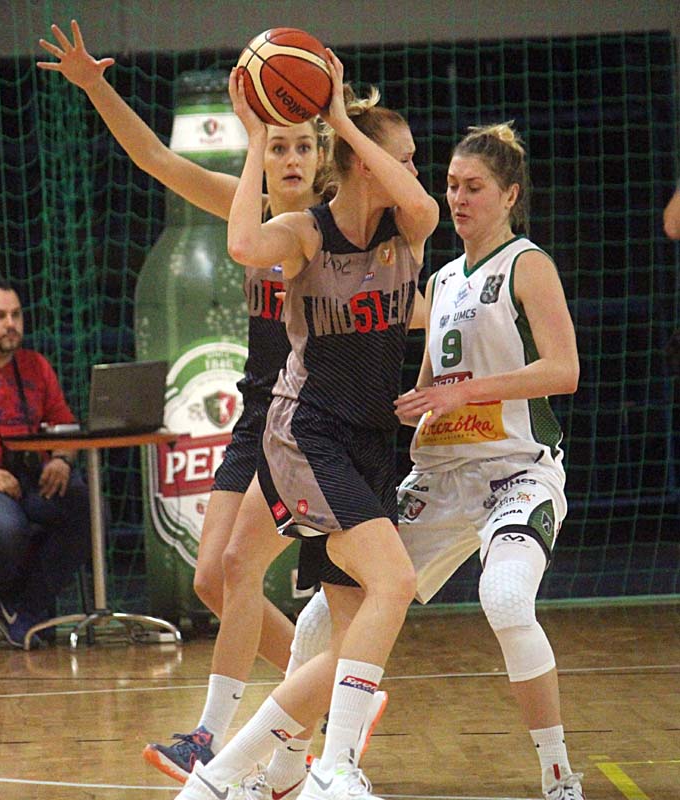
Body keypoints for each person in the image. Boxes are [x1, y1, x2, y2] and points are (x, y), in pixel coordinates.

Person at [37, 21, 387, 794]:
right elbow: (156, 160)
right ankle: (331, 690)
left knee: (241, 568)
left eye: (302, 146)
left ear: (320, 156)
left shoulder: (328, 229)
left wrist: (322, 109)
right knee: (210, 582)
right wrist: (97, 87)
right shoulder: (246, 208)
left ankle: (214, 737)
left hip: (306, 419)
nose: (289, 157)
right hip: (254, 415)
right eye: (277, 144)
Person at [172, 51, 439, 800]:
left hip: (369, 443)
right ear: (362, 166)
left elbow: (422, 205)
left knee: (353, 634)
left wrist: (344, 119)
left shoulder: (408, 233)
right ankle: (334, 768)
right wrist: (258, 140)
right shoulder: (307, 234)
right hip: (305, 436)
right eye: (403, 159)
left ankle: (225, 781)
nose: (413, 173)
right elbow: (241, 245)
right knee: (393, 581)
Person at [393, 122, 584, 800]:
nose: (457, 198)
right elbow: (433, 388)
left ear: (509, 195)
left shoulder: (527, 264)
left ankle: (558, 773)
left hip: (517, 472)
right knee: (335, 607)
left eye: (473, 187)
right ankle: (284, 765)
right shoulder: (443, 279)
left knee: (503, 598)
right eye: (450, 186)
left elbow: (564, 371)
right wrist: (411, 405)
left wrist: (470, 391)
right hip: (442, 476)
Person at [0, 280, 91, 649]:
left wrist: (63, 459)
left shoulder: (35, 366)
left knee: (84, 508)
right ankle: (11, 601)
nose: (11, 324)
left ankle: (28, 611)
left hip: (33, 478)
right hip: (0, 486)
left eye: (16, 315)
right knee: (8, 528)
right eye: (0, 317)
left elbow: (65, 425)